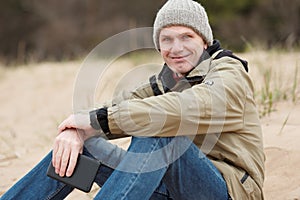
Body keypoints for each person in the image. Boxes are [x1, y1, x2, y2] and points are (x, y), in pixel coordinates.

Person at [0, 0, 265, 199]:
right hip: (170, 190)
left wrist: (97, 121)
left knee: (160, 129)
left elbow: (189, 107)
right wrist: (78, 132)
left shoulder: (229, 72)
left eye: (187, 37)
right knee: (86, 150)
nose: (176, 47)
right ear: (159, 46)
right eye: (167, 39)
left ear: (205, 41)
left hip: (228, 190)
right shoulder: (161, 84)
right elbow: (115, 109)